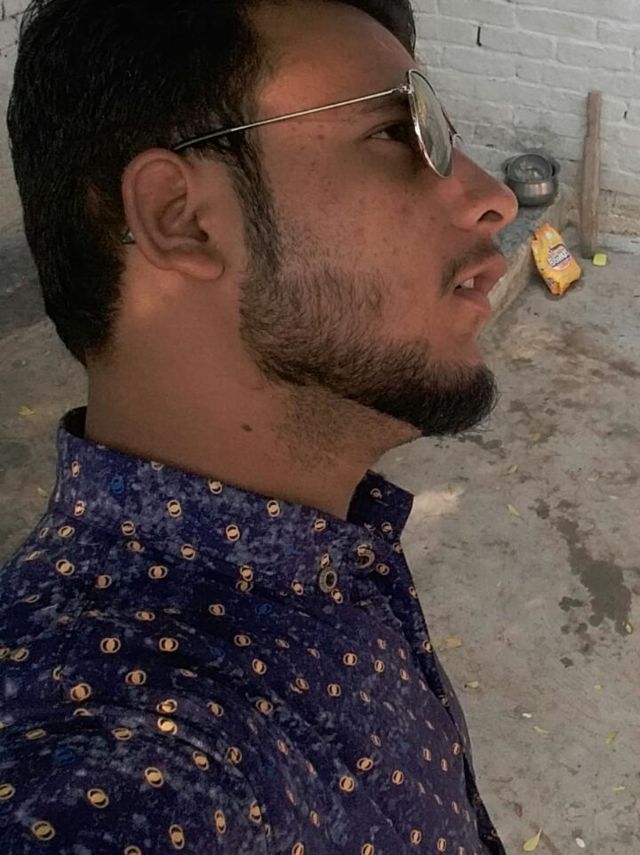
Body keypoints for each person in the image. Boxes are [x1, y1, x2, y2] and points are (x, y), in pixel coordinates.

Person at [0, 0, 518, 852]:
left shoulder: (320, 541)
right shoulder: (121, 757)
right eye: (399, 133)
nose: (494, 196)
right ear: (181, 217)